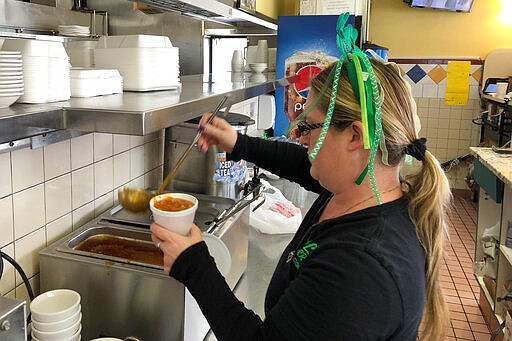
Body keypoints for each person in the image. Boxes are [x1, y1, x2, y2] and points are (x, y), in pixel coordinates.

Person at [151, 17, 451, 341]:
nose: (298, 136)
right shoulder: (363, 190)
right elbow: (303, 165)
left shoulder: (361, 266)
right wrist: (240, 144)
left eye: (309, 127)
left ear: (354, 137)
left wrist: (193, 264)